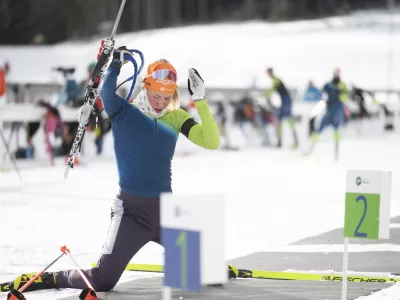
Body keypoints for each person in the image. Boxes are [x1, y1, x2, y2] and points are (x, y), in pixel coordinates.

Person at [0, 47, 238, 294]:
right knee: (103, 281)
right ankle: (50, 279)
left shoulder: (176, 118)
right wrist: (115, 63)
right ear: (146, 87)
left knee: (210, 274)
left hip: (165, 211)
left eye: (167, 98)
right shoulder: (125, 112)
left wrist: (200, 100)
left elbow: (212, 142)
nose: (161, 103)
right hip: (131, 214)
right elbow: (105, 92)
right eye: (157, 96)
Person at [307, 68, 349, 160]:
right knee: (319, 129)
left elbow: (345, 97)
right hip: (329, 111)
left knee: (336, 130)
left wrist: (340, 94)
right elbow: (321, 94)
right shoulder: (328, 85)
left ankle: (336, 151)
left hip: (338, 111)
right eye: (335, 73)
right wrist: (324, 97)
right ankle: (311, 147)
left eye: (338, 73)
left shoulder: (343, 85)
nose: (336, 75)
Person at [264, 68, 298, 148]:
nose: (269, 75)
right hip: (284, 102)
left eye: (269, 73)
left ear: (272, 72)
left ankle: (295, 141)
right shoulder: (275, 81)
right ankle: (280, 141)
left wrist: (266, 96)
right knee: (279, 120)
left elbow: (270, 91)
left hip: (286, 101)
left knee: (289, 120)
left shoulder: (276, 80)